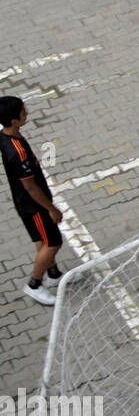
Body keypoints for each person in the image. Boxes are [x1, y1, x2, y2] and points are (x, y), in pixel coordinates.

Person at [0, 96, 65, 306]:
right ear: (13, 120)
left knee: (41, 239)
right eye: (22, 112)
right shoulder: (18, 153)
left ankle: (53, 273)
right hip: (34, 206)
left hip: (23, 203)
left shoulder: (6, 136)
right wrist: (51, 209)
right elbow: (30, 186)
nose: (26, 112)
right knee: (53, 242)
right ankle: (35, 284)